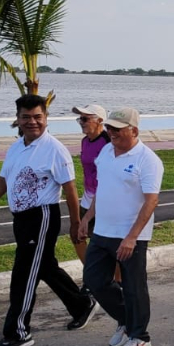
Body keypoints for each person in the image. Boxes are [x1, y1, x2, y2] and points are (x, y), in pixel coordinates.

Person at [0, 94, 95, 346]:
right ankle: (82, 305)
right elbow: (4, 181)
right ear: (17, 119)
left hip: (42, 216)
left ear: (46, 118)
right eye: (26, 117)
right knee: (44, 266)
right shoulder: (17, 147)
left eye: (38, 117)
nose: (33, 122)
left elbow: (69, 189)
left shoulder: (54, 149)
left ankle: (18, 332)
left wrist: (75, 223)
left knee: (24, 274)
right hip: (21, 219)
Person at [78, 107, 164, 346]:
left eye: (117, 129)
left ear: (134, 130)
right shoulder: (106, 151)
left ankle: (140, 336)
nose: (111, 132)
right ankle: (127, 320)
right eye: (109, 128)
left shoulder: (147, 160)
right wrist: (87, 217)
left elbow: (151, 201)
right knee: (94, 280)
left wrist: (131, 237)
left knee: (134, 286)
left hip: (130, 235)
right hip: (103, 230)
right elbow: (101, 188)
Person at [70, 103, 110, 266]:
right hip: (87, 199)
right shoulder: (85, 141)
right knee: (77, 237)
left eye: (85, 119)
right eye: (80, 119)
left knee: (106, 246)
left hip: (104, 202)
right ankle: (92, 275)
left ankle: (117, 281)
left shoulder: (108, 143)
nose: (82, 122)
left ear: (99, 120)